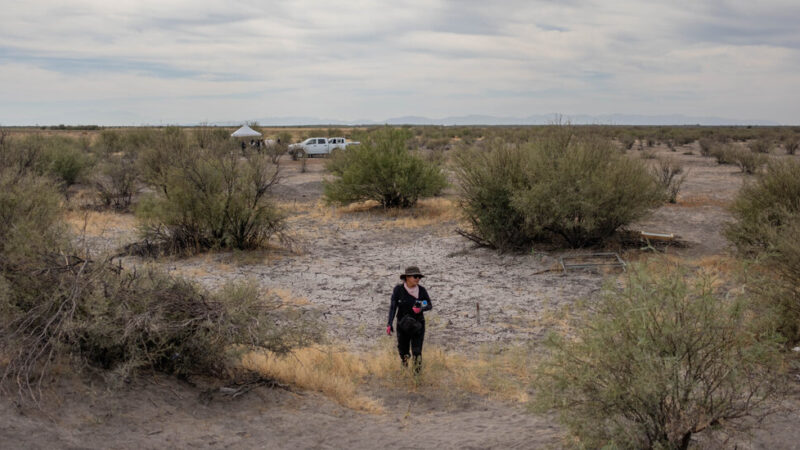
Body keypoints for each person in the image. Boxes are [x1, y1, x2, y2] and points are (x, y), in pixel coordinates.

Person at [386, 266, 433, 373]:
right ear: (407, 277)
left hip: (418, 325)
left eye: (419, 277)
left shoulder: (422, 290)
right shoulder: (398, 290)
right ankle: (404, 369)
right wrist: (389, 323)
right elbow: (393, 307)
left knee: (417, 352)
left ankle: (417, 376)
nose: (417, 279)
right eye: (415, 276)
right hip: (402, 325)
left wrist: (421, 307)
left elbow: (429, 305)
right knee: (403, 351)